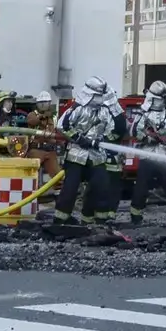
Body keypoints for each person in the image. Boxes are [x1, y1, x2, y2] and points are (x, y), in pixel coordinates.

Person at [124, 80, 166, 226]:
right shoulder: (143, 112)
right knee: (141, 187)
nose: (160, 102)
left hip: (165, 157)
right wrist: (147, 138)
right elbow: (133, 131)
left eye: (163, 99)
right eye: (158, 99)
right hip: (148, 156)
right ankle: (135, 219)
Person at [55, 76, 120, 225]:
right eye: (97, 95)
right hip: (76, 156)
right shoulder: (77, 108)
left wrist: (103, 140)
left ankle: (99, 222)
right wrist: (79, 139)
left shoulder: (105, 111)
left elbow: (111, 129)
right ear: (89, 94)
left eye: (100, 96)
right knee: (70, 190)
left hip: (97, 157)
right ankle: (60, 220)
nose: (99, 99)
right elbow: (62, 126)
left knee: (102, 187)